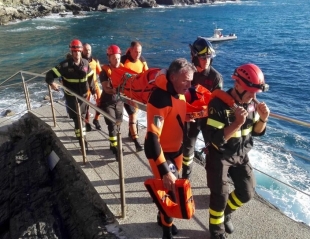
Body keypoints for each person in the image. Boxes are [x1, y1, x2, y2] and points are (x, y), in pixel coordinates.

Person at [204, 63, 270, 239]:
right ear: (237, 85)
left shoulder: (251, 104)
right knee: (219, 195)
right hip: (220, 156)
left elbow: (256, 132)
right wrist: (236, 124)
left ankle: (224, 213)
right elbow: (214, 140)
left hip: (241, 154)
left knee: (247, 192)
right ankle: (216, 231)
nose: (253, 96)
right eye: (249, 91)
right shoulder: (218, 105)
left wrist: (263, 119)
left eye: (255, 92)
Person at [144, 58, 196, 239]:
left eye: (191, 80)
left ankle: (162, 218)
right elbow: (152, 138)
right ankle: (166, 232)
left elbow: (174, 115)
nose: (189, 85)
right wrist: (165, 170)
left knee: (170, 190)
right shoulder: (161, 98)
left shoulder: (178, 91)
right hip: (160, 152)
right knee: (170, 192)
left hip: (177, 150)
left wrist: (185, 118)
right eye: (185, 80)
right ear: (172, 77)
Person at [182, 38, 223, 179]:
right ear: (194, 57)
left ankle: (214, 182)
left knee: (212, 151)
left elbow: (218, 104)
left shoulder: (215, 77)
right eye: (203, 58)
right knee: (187, 150)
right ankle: (185, 179)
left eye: (209, 58)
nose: (207, 61)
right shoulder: (188, 73)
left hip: (208, 121)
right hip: (190, 119)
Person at [45, 39, 95, 146]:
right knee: (77, 119)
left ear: (81, 51)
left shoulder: (86, 63)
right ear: (71, 52)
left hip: (83, 96)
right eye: (74, 51)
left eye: (78, 51)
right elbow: (49, 74)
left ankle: (80, 135)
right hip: (71, 97)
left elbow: (90, 76)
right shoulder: (64, 66)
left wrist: (94, 90)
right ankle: (83, 141)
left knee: (81, 117)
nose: (77, 53)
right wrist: (52, 83)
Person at [121, 41, 148, 152]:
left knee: (135, 114)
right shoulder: (123, 60)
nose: (138, 54)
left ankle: (130, 132)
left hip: (137, 94)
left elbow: (147, 74)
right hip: (126, 94)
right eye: (136, 51)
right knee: (132, 114)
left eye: (140, 52)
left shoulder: (142, 60)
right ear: (131, 50)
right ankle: (136, 141)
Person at [99, 45, 124, 159]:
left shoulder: (123, 70)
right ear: (109, 58)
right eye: (114, 58)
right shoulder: (103, 72)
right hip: (107, 102)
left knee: (118, 123)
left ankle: (114, 143)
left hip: (119, 101)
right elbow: (105, 88)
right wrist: (113, 90)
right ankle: (116, 148)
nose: (117, 61)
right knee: (112, 124)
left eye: (118, 58)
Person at [82, 43, 103, 131]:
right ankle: (87, 122)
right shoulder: (80, 61)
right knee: (86, 105)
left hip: (95, 84)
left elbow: (101, 73)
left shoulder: (95, 60)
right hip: (85, 86)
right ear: (82, 50)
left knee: (101, 103)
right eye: (86, 50)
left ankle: (96, 119)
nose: (87, 51)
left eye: (89, 50)